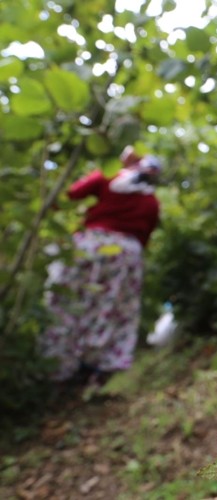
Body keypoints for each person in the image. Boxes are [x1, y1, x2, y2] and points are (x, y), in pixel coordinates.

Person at [39, 146, 161, 386]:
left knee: (66, 301)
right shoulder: (152, 202)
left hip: (89, 244)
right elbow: (143, 237)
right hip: (126, 254)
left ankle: (55, 367)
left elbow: (68, 196)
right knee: (111, 307)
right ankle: (94, 368)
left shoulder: (106, 176)